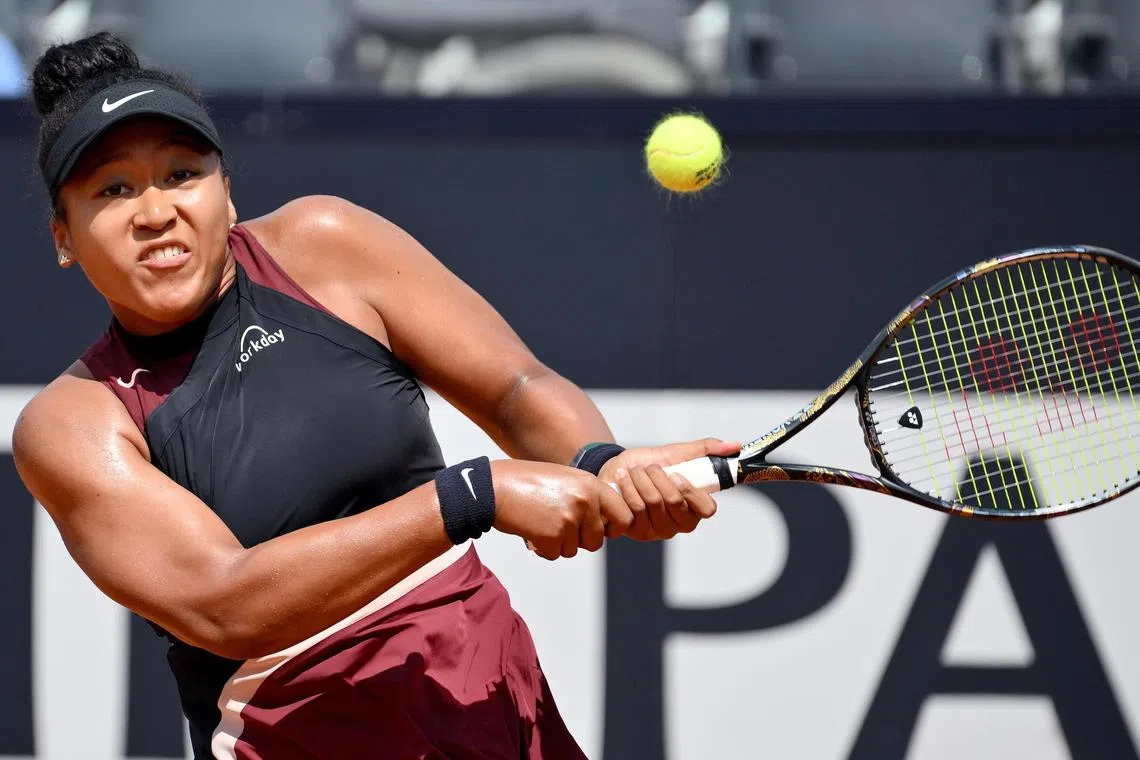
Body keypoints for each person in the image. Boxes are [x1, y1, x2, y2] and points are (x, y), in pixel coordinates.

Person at [12, 32, 739, 759]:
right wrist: (471, 497)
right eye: (113, 189)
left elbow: (518, 388)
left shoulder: (324, 244)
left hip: (494, 709)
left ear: (226, 193)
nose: (156, 211)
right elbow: (224, 601)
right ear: (63, 236)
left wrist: (601, 463)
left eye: (182, 174)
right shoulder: (75, 423)